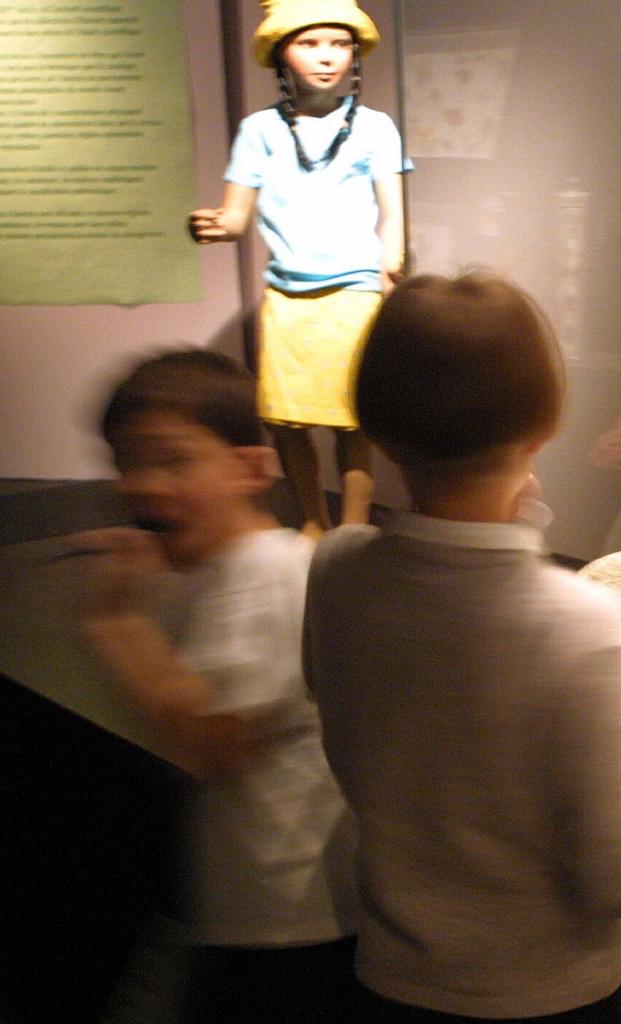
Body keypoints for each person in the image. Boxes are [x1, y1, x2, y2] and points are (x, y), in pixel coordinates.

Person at [303, 272, 621, 1023]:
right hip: (551, 998)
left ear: (375, 432)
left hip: (387, 982)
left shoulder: (337, 568)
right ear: (543, 427)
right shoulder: (585, 624)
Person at [77, 349, 357, 1024]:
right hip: (262, 904)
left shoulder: (261, 574)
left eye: (173, 460)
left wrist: (114, 620)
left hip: (289, 916)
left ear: (251, 468)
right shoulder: (217, 568)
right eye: (128, 462)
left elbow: (212, 744)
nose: (143, 483)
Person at [189, 0, 407, 538]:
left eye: (338, 43)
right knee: (288, 419)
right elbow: (237, 216)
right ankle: (313, 519)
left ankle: (352, 528)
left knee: (355, 421)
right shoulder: (260, 130)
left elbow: (394, 213)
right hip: (288, 293)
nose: (326, 57)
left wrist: (394, 264)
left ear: (354, 52)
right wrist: (214, 225)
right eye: (310, 43)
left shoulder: (376, 128)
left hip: (355, 290)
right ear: (281, 54)